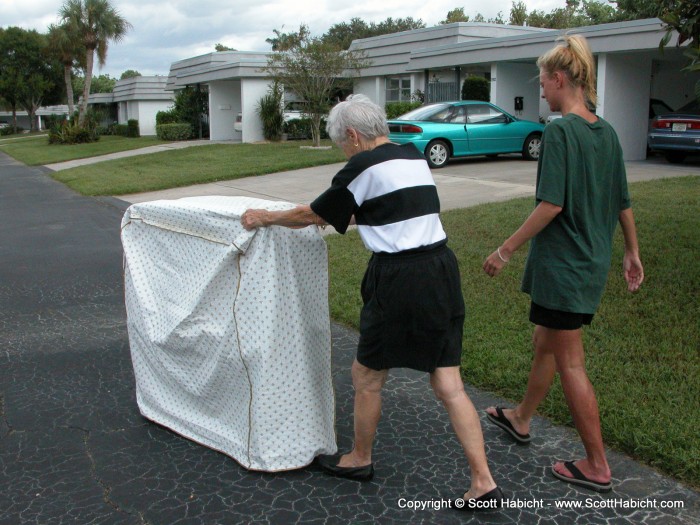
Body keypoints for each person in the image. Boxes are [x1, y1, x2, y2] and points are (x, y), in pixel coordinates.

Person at [242, 94, 502, 508]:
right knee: (448, 380)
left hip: (401, 278)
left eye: (342, 144)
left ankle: (359, 459)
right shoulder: (412, 154)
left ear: (352, 135)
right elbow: (392, 207)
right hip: (441, 269)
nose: (344, 152)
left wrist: (264, 217)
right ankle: (483, 481)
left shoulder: (362, 164)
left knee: (367, 375)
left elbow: (316, 215)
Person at [482, 34, 644, 493]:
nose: (540, 91)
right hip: (591, 261)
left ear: (558, 79)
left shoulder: (559, 131)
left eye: (542, 82)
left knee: (570, 360)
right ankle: (521, 418)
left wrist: (504, 249)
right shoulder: (606, 131)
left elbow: (551, 204)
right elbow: (623, 201)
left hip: (565, 266)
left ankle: (597, 464)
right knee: (546, 340)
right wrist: (631, 251)